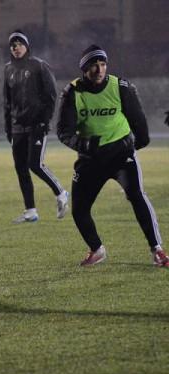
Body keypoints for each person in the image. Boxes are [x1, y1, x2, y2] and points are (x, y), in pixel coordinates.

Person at [57, 44, 168, 267]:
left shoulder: (121, 86)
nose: (100, 70)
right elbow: (63, 132)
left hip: (120, 157)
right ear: (84, 69)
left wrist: (137, 143)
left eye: (103, 64)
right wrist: (84, 144)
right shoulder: (72, 92)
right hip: (90, 160)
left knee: (137, 196)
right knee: (79, 210)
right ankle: (97, 249)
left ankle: (158, 250)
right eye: (94, 65)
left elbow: (138, 119)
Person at [3, 30, 69, 224]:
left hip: (36, 125)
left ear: (27, 46)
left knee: (35, 164)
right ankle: (30, 211)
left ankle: (61, 192)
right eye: (13, 45)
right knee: (21, 168)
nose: (16, 48)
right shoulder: (7, 69)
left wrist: (44, 121)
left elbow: (51, 95)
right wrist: (8, 127)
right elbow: (7, 101)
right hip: (17, 127)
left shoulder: (39, 66)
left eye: (19, 44)